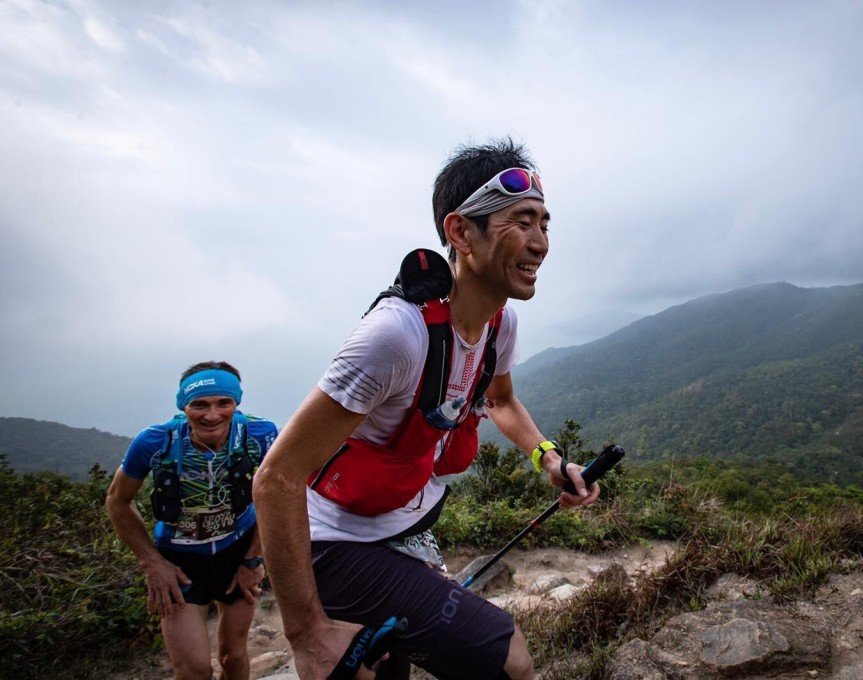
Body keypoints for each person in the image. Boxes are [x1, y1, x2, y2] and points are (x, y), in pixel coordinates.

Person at [252, 138, 601, 680]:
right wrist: (307, 635)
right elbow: (276, 477)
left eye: (545, 224)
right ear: (461, 232)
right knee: (510, 660)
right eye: (521, 221)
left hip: (405, 529)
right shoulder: (397, 336)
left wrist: (550, 461)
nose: (540, 244)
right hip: (337, 544)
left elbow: (501, 399)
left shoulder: (498, 325)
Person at [106, 361, 278, 680]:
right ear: (184, 405)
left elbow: (276, 496)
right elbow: (117, 501)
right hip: (179, 564)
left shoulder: (259, 435)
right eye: (199, 404)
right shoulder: (156, 442)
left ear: (235, 403)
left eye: (223, 403)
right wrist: (152, 563)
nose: (212, 415)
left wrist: (253, 559)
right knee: (193, 670)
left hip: (236, 552)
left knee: (233, 655)